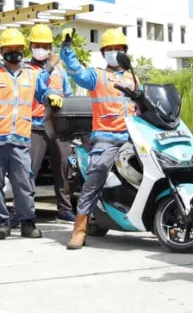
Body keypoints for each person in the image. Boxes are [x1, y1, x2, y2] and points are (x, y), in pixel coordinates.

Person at [0, 28, 63, 240]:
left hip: (20, 140)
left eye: (17, 48)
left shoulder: (32, 75)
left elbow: (43, 93)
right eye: (9, 49)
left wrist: (51, 96)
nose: (14, 52)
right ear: (2, 52)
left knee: (24, 183)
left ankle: (28, 222)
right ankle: (2, 222)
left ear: (23, 51)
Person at [60, 28, 142, 250]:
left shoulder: (132, 78)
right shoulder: (96, 76)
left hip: (133, 137)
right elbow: (75, 71)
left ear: (125, 52)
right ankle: (80, 229)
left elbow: (144, 105)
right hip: (106, 137)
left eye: (118, 49)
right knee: (95, 177)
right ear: (103, 53)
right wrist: (66, 48)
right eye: (110, 49)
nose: (114, 52)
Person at [24, 24, 77, 223]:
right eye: (38, 44)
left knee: (64, 168)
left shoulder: (59, 71)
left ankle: (64, 209)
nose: (42, 49)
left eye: (45, 45)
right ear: (30, 46)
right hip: (34, 126)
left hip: (57, 126)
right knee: (29, 169)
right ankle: (24, 210)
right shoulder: (25, 70)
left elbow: (69, 95)